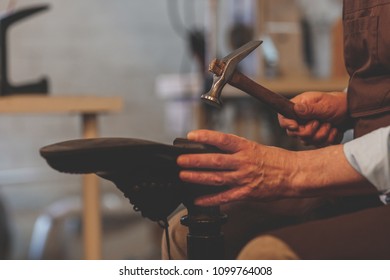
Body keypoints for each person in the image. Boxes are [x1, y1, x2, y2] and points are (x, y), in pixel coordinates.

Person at [162, 0, 390, 259]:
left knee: (269, 255)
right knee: (181, 236)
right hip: (367, 182)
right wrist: (350, 103)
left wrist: (294, 170)